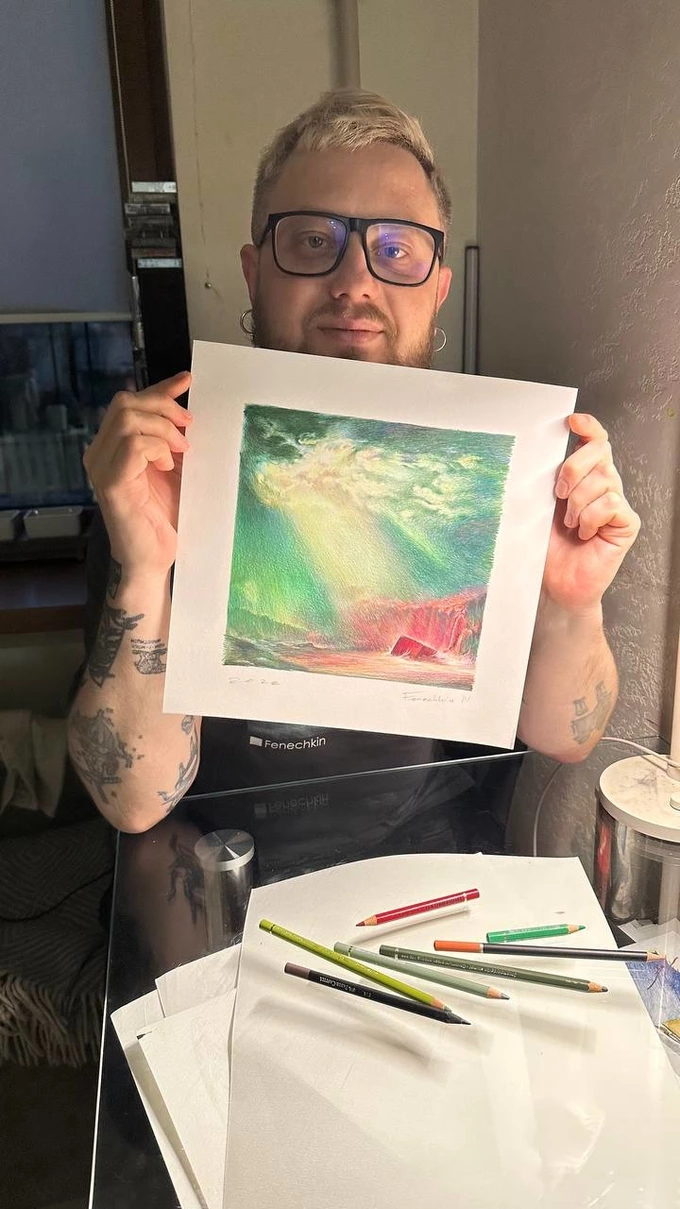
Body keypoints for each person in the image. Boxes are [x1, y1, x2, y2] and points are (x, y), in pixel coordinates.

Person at [67, 89, 640, 835]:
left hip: (426, 865)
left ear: (438, 288)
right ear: (253, 273)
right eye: (313, 241)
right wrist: (144, 569)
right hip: (215, 864)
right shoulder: (159, 472)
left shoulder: (506, 476)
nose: (355, 283)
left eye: (396, 250)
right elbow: (134, 802)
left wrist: (572, 602)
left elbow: (567, 738)